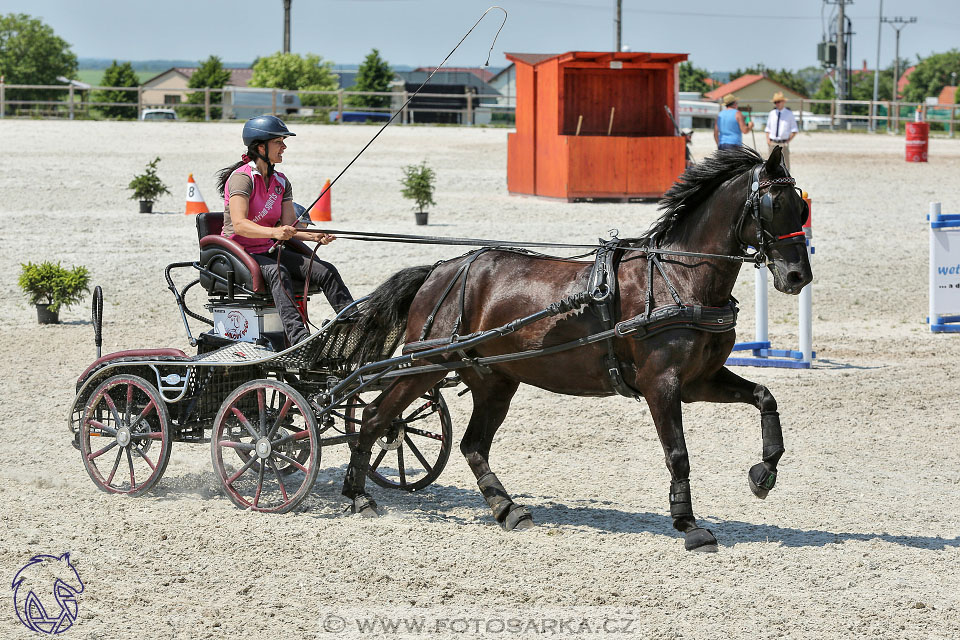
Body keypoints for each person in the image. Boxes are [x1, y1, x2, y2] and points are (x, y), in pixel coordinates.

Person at [216, 115, 354, 346]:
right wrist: (274, 233)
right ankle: (300, 340)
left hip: (267, 250)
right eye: (279, 141)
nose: (284, 146)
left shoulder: (281, 181)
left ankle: (353, 323)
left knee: (325, 270)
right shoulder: (241, 179)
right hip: (240, 253)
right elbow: (239, 224)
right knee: (278, 272)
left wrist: (314, 236)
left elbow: (288, 227)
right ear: (261, 147)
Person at [765, 91, 799, 170]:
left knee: (785, 166)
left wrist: (788, 140)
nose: (777, 104)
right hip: (773, 143)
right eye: (775, 102)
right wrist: (768, 141)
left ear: (783, 102)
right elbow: (767, 129)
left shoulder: (789, 114)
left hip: (783, 144)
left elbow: (794, 130)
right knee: (771, 166)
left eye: (778, 101)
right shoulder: (772, 114)